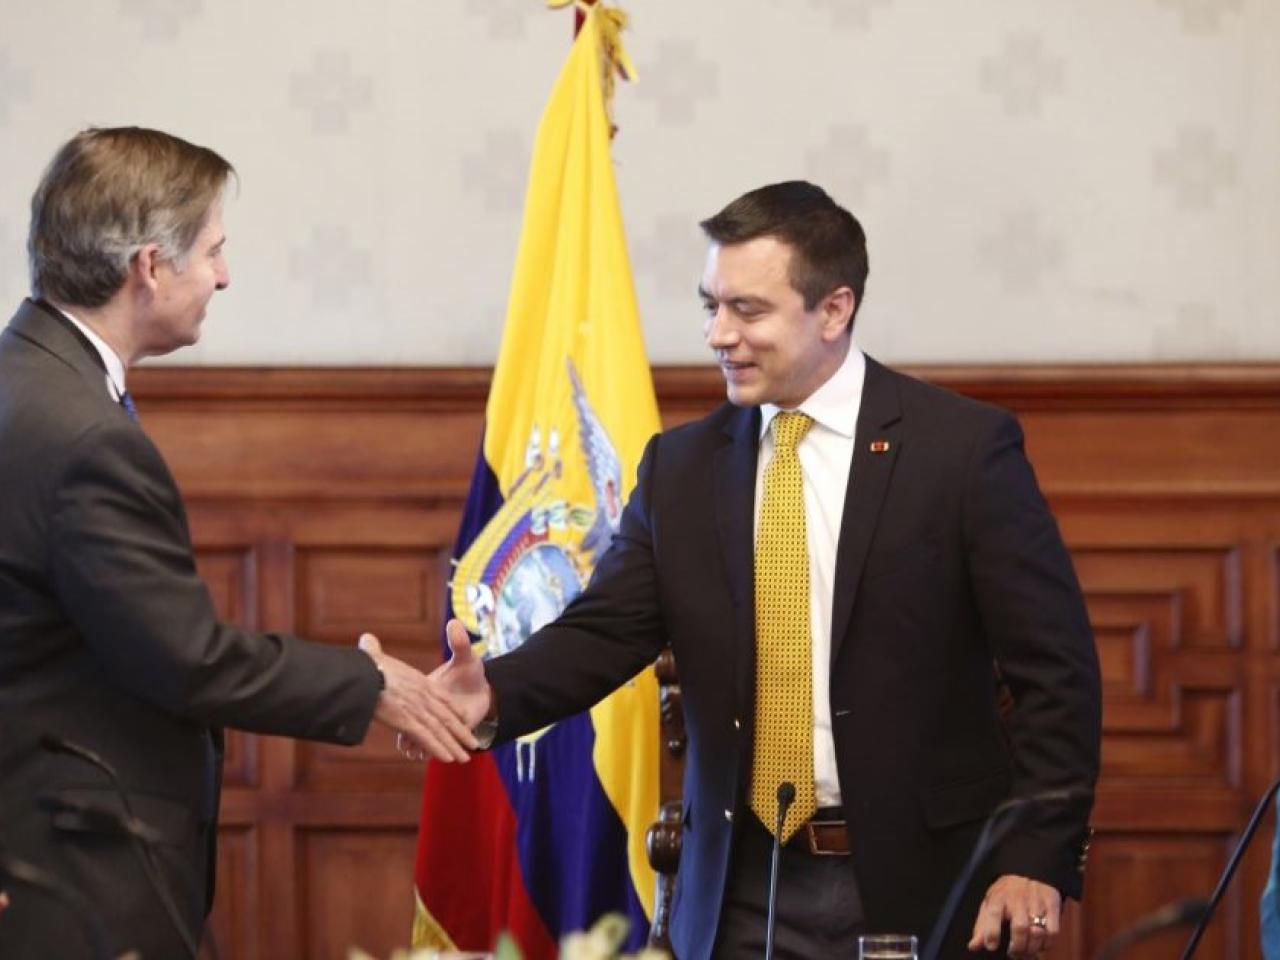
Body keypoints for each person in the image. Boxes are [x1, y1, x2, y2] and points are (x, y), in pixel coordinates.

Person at [425, 181, 1102, 959]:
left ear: (834, 310)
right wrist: (492, 693)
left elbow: (1057, 673)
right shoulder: (681, 468)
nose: (719, 334)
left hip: (924, 883)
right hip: (738, 890)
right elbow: (603, 632)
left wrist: (1035, 856)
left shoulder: (961, 452)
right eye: (710, 306)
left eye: (747, 310)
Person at [0, 126, 475, 959]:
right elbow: (186, 657)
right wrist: (369, 683)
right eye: (214, 251)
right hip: (69, 874)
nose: (224, 275)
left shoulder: (27, 383)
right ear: (150, 267)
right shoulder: (81, 435)